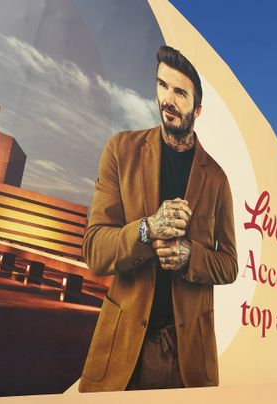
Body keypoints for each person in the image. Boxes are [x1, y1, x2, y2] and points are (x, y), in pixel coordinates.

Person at [78, 45, 238, 392]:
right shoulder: (120, 151)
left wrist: (190, 255)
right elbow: (94, 251)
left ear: (198, 108)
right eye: (163, 86)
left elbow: (229, 264)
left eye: (180, 92)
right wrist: (148, 229)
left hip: (188, 358)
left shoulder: (217, 179)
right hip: (122, 351)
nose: (168, 99)